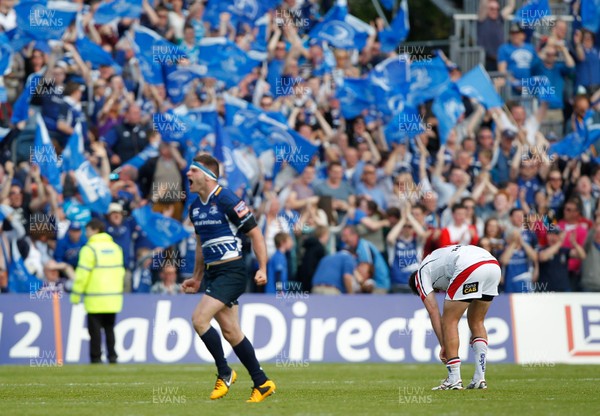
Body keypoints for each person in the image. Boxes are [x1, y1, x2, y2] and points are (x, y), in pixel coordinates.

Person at [182, 154, 276, 403]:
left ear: (207, 175)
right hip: (214, 274)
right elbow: (201, 245)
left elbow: (255, 234)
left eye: (193, 170)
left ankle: (225, 372)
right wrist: (196, 277)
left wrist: (262, 268)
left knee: (199, 319)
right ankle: (262, 382)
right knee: (232, 332)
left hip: (232, 272)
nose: (188, 174)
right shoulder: (194, 209)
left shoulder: (227, 199)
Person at [408, 244, 501, 390]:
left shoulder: (420, 275)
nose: (439, 290)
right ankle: (479, 378)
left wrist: (444, 345)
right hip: (492, 264)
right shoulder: (435, 261)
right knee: (477, 321)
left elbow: (434, 312)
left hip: (469, 266)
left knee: (449, 320)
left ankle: (454, 379)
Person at [70, 219, 125, 364]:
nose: (86, 233)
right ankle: (112, 356)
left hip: (95, 298)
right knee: (109, 329)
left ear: (94, 230)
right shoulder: (116, 248)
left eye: (87, 230)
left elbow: (82, 275)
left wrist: (75, 295)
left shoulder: (89, 249)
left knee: (94, 331)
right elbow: (120, 272)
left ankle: (96, 358)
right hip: (113, 298)